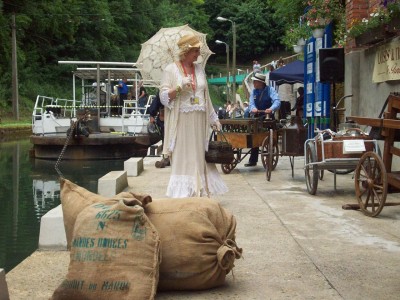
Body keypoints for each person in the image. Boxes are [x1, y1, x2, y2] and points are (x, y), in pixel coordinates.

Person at [160, 34, 228, 198]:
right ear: (186, 51)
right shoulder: (171, 70)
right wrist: (178, 87)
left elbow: (206, 97)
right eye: (195, 51)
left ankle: (198, 190)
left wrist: (214, 118)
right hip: (182, 121)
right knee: (184, 157)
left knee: (198, 157)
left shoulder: (199, 69)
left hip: (199, 121)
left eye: (198, 51)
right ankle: (184, 194)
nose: (198, 54)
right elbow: (163, 98)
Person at [246, 72, 281, 167]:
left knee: (268, 132)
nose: (253, 83)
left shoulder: (270, 90)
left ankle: (269, 152)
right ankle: (253, 160)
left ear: (260, 82)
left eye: (255, 81)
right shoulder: (254, 91)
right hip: (257, 117)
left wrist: (271, 109)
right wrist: (252, 108)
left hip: (268, 117)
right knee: (254, 135)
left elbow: (277, 101)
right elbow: (251, 103)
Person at [148, 92, 170, 168]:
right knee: (165, 138)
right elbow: (157, 101)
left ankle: (171, 158)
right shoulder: (163, 91)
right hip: (165, 119)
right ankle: (166, 157)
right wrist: (152, 115)